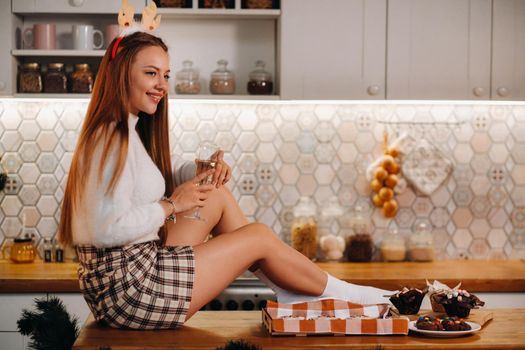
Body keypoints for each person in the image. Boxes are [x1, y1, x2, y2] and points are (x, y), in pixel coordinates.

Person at [58, 31, 394, 330]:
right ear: (121, 76)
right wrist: (172, 205)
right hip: (130, 293)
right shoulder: (110, 138)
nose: (161, 85)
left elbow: (148, 180)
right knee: (259, 237)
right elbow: (107, 228)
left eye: (165, 75)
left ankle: (295, 292)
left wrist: (200, 175)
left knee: (215, 194)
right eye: (150, 73)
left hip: (130, 278)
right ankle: (345, 295)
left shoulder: (124, 130)